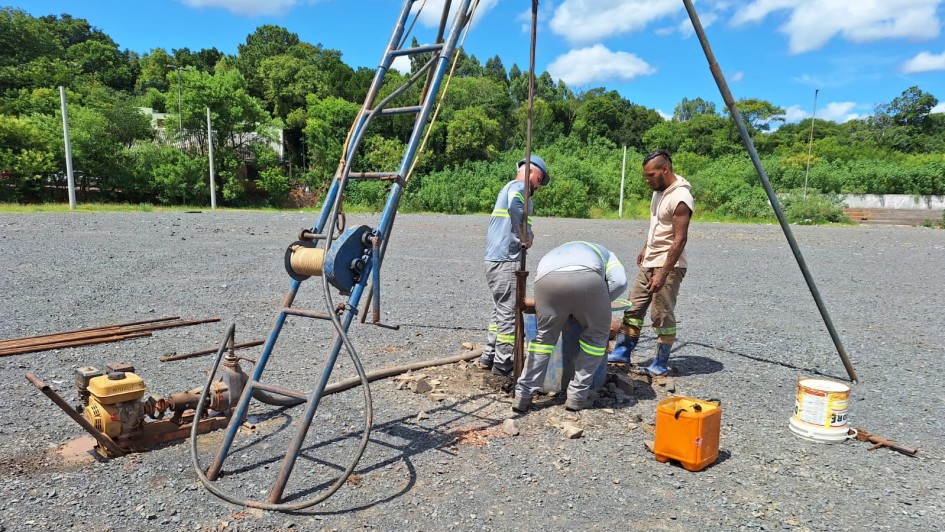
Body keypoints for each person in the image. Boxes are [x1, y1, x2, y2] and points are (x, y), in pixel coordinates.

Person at [513, 241, 628, 412]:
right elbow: (620, 282)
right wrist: (598, 303)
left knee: (543, 339)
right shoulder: (608, 254)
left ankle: (523, 395)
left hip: (547, 280)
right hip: (587, 279)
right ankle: (577, 396)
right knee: (596, 338)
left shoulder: (557, 251)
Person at [607, 149, 694, 377]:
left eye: (650, 175)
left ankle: (660, 363)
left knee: (661, 315)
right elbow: (658, 226)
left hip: (669, 266)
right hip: (650, 260)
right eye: (645, 175)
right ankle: (622, 352)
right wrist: (646, 247)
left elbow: (679, 240)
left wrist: (662, 274)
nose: (647, 180)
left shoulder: (680, 198)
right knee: (633, 307)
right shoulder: (659, 192)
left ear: (665, 170)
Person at [480, 155, 550, 377]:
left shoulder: (508, 187)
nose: (538, 186)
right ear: (533, 172)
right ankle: (504, 364)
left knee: (500, 310)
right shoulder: (520, 188)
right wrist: (525, 234)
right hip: (506, 260)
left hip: (494, 260)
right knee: (509, 313)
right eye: (539, 180)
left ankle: (489, 355)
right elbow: (515, 206)